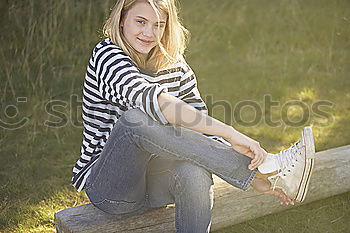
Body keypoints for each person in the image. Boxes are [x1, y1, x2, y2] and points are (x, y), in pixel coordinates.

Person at [71, 0, 315, 232]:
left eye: (159, 25)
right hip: (112, 188)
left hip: (157, 182)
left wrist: (256, 179)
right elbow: (154, 100)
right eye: (141, 22)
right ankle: (270, 166)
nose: (149, 33)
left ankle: (271, 175)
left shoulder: (173, 62)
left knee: (194, 170)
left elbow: (199, 127)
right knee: (136, 120)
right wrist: (232, 135)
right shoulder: (107, 55)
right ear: (121, 20)